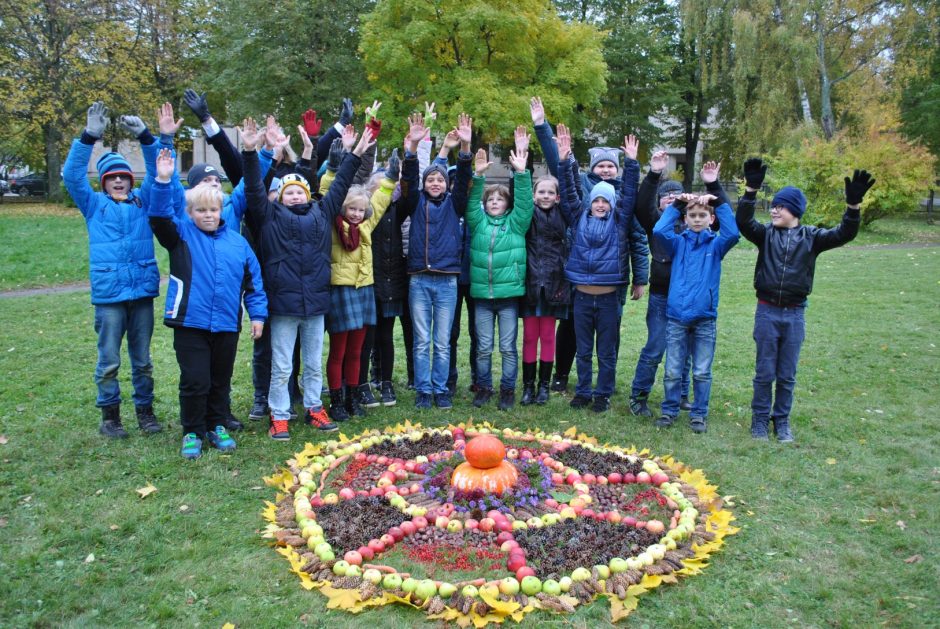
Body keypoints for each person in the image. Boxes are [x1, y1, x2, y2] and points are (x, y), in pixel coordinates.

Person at [243, 118, 374, 439]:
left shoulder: (321, 212)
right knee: (283, 365)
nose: (294, 196)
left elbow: (342, 183)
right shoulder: (269, 216)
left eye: (299, 190)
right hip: (284, 304)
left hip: (316, 304)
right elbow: (253, 188)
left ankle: (315, 407)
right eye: (288, 192)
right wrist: (250, 152)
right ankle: (280, 414)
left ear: (307, 193)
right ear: (281, 196)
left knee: (314, 362)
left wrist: (354, 152)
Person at [736, 159, 873, 442]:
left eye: (781, 206)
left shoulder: (812, 238)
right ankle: (760, 420)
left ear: (795, 211)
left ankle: (781, 420)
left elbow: (845, 233)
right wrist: (750, 190)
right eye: (773, 205)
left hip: (794, 315)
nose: (774, 209)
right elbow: (744, 222)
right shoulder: (765, 235)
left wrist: (853, 207)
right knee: (764, 372)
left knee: (786, 374)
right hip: (766, 312)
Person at [149, 149, 267, 459]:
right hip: (190, 322)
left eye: (213, 210)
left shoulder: (237, 243)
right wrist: (163, 180)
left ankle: (217, 424)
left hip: (227, 323)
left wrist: (257, 316)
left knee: (220, 380)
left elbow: (253, 284)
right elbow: (160, 217)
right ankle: (192, 430)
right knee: (195, 379)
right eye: (201, 210)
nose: (208, 215)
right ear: (190, 213)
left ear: (221, 211)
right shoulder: (181, 235)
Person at [530, 97, 649, 393]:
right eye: (602, 166)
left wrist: (641, 277)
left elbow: (637, 238)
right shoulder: (582, 187)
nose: (607, 170)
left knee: (610, 331)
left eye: (611, 166)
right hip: (579, 273)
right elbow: (560, 164)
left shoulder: (624, 200)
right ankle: (563, 374)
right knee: (571, 327)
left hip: (611, 276)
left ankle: (605, 382)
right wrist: (542, 126)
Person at [63, 102, 161, 438]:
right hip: (109, 296)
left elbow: (159, 168)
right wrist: (89, 136)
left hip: (142, 293)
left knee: (143, 360)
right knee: (109, 362)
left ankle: (145, 412)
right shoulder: (93, 206)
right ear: (104, 183)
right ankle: (110, 417)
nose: (118, 181)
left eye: (123, 176)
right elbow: (71, 175)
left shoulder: (142, 202)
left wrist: (147, 137)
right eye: (112, 177)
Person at [631, 156, 730, 417]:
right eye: (667, 196)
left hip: (694, 302)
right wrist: (667, 191)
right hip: (664, 297)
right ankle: (639, 395)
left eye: (677, 195)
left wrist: (714, 189)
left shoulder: (699, 229)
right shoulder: (658, 220)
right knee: (655, 347)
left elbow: (727, 222)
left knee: (683, 355)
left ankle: (682, 396)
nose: (672, 199)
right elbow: (644, 207)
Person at [556, 126, 640, 413]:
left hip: (607, 298)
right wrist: (565, 160)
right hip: (581, 297)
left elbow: (629, 194)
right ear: (590, 202)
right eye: (597, 200)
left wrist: (631, 163)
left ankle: (602, 393)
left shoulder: (620, 221)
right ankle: (582, 391)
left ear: (612, 204)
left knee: (605, 351)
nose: (601, 204)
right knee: (583, 350)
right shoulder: (578, 217)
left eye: (606, 200)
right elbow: (567, 192)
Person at [321, 131, 397, 421]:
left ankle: (353, 397)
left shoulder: (366, 224)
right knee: (339, 350)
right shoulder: (332, 222)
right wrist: (331, 168)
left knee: (357, 349)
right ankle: (337, 399)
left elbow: (380, 200)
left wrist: (390, 176)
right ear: (343, 208)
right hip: (340, 289)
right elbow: (329, 191)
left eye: (359, 210)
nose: (355, 213)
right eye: (351, 208)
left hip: (363, 289)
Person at [652, 187, 740, 433]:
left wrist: (719, 201)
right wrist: (679, 204)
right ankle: (669, 410)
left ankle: (699, 413)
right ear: (685, 219)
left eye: (703, 215)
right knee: (672, 370)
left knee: (701, 371)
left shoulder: (717, 244)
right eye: (693, 215)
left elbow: (733, 233)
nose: (698, 219)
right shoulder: (677, 243)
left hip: (704, 319)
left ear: (711, 219)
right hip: (677, 317)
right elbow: (659, 230)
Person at [400, 112, 473, 410]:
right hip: (419, 279)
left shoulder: (455, 205)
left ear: (446, 184)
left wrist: (465, 149)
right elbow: (408, 179)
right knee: (421, 341)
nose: (434, 183)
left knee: (442, 341)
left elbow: (465, 177)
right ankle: (423, 389)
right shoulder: (415, 203)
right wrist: (412, 150)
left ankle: (441, 389)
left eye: (439, 179)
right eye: (430, 179)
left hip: (447, 281)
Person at [467, 136, 533, 410]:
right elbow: (472, 204)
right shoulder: (478, 222)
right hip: (482, 296)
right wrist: (478, 178)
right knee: (483, 347)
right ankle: (483, 387)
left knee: (507, 347)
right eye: (490, 199)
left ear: (507, 204)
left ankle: (507, 389)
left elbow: (526, 204)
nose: (495, 202)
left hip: (508, 296)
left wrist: (521, 173)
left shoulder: (516, 224)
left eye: (500, 199)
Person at [520, 168, 568, 406]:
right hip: (530, 283)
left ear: (558, 197)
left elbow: (573, 191)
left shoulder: (564, 215)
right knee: (530, 336)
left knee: (548, 336)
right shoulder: (528, 214)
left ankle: (544, 386)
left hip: (554, 284)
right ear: (533, 194)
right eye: (541, 191)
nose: (546, 196)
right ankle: (528, 386)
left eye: (551, 192)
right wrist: (521, 172)